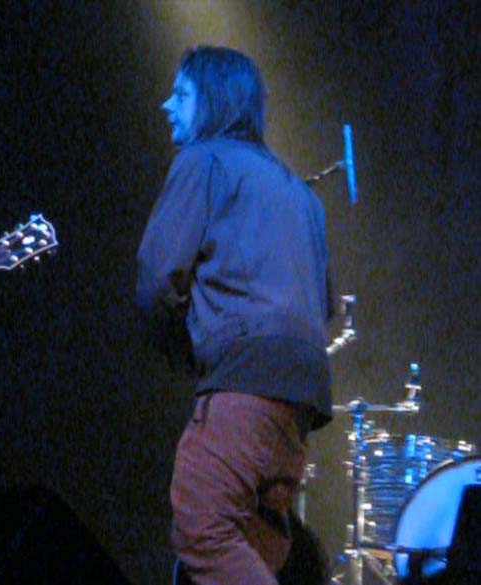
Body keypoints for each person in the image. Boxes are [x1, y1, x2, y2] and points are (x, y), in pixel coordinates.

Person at [136, 47, 333, 584]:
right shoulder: (300, 194)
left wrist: (179, 346)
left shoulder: (203, 161)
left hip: (244, 381)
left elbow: (158, 276)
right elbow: (325, 305)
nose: (166, 105)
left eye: (181, 94)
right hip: (301, 397)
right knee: (256, 543)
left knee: (203, 527)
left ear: (214, 99)